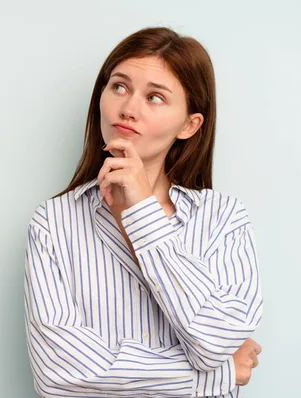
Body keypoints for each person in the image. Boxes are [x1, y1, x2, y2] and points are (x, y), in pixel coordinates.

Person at [23, 27, 263, 398]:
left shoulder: (223, 218)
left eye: (154, 97)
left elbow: (216, 339)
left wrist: (141, 212)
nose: (128, 108)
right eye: (119, 87)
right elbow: (60, 373)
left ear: (189, 125)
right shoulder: (54, 223)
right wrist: (217, 375)